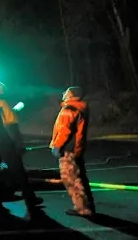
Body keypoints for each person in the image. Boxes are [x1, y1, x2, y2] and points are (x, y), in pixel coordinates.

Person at [0, 78, 43, 211]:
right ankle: (30, 199)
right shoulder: (2, 103)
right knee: (18, 171)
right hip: (4, 142)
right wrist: (19, 144)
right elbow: (11, 125)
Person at [50, 86, 95, 217]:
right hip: (76, 148)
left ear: (71, 95)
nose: (63, 93)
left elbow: (65, 130)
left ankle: (82, 209)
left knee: (71, 179)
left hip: (68, 150)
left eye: (66, 91)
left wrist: (57, 146)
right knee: (80, 177)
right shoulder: (80, 107)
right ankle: (87, 205)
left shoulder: (69, 109)